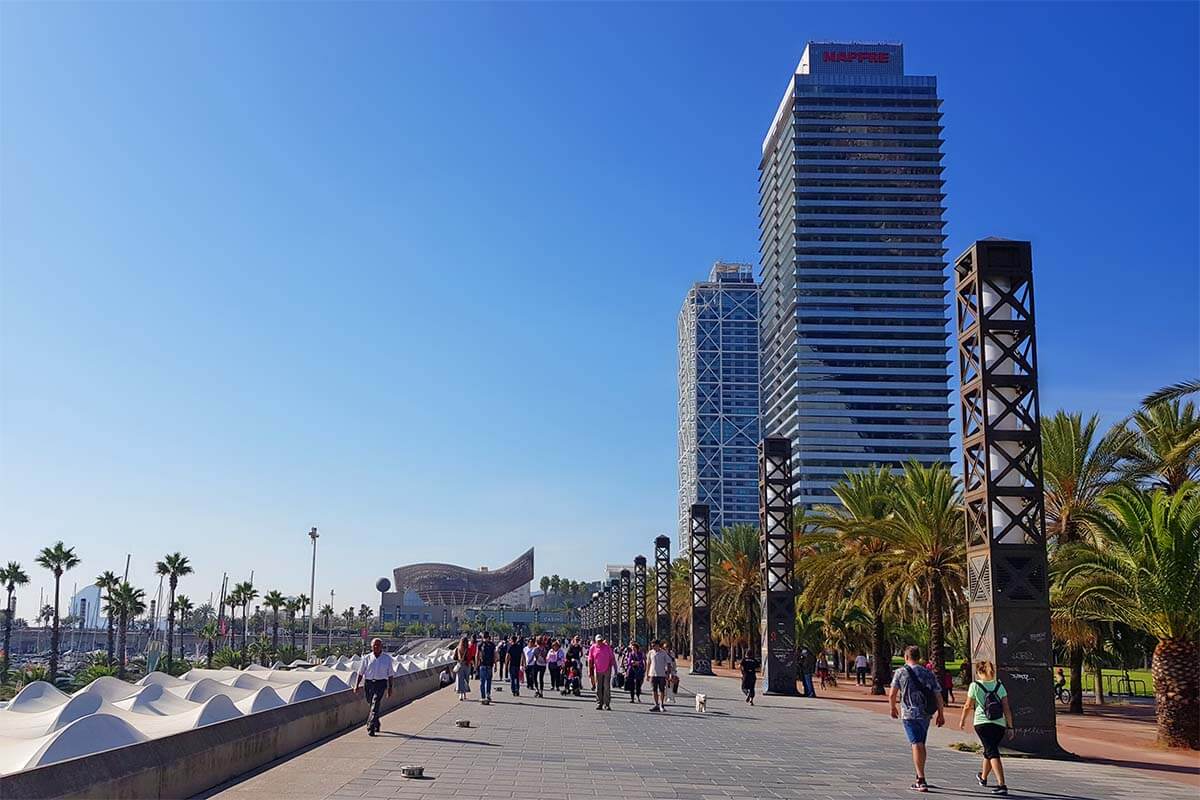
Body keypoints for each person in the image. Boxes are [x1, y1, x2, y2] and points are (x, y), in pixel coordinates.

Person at [889, 645, 945, 793]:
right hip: (925, 714)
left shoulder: (900, 672)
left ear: (906, 657)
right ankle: (920, 773)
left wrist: (892, 707)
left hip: (909, 714)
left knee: (916, 744)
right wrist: (941, 713)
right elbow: (938, 694)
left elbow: (892, 693)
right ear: (919, 657)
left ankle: (921, 778)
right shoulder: (928, 672)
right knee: (921, 743)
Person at [958, 660, 1014, 796]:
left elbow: (968, 706)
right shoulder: (999, 686)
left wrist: (962, 720)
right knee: (989, 750)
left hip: (982, 723)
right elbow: (1007, 708)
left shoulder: (975, 685)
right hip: (999, 724)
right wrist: (1010, 726)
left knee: (992, 752)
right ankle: (983, 777)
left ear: (978, 672)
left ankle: (1002, 784)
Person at [352, 637, 393, 736]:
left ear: (381, 647)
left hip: (381, 683)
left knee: (375, 703)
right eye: (374, 645)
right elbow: (361, 672)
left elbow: (390, 674)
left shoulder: (387, 659)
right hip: (369, 683)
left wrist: (390, 688)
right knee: (372, 705)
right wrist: (356, 685)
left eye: (378, 645)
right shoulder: (366, 658)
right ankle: (376, 722)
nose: (376, 647)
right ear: (371, 647)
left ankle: (370, 726)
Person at [589, 634, 616, 710]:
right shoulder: (593, 648)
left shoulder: (607, 647)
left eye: (601, 640)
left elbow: (612, 658)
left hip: (607, 669)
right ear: (596, 641)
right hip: (597, 670)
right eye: (598, 641)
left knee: (606, 687)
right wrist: (590, 671)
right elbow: (590, 660)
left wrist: (615, 669)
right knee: (598, 687)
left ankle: (607, 704)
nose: (600, 642)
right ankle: (599, 703)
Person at [646, 640, 671, 712]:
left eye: (654, 645)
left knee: (662, 690)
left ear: (658, 645)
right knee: (654, 690)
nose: (653, 647)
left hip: (661, 674)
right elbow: (648, 664)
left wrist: (668, 674)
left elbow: (669, 663)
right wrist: (647, 674)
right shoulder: (650, 652)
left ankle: (661, 704)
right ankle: (656, 704)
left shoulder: (663, 653)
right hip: (652, 674)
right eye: (652, 645)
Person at [475, 631, 496, 703]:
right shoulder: (492, 645)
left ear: (483, 636)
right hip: (490, 665)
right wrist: (495, 665)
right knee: (489, 681)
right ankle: (488, 694)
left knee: (482, 681)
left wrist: (476, 665)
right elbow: (495, 655)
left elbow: (477, 655)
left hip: (482, 665)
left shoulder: (480, 644)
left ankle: (483, 696)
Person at [454, 636, 472, 701]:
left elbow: (454, 658)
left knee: (460, 679)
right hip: (467, 665)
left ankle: (460, 694)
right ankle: (464, 693)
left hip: (460, 665)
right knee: (466, 680)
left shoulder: (458, 649)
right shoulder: (468, 649)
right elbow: (470, 658)